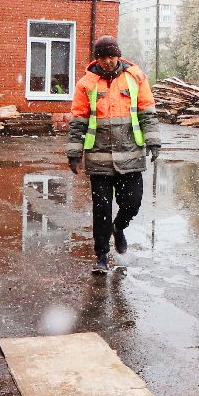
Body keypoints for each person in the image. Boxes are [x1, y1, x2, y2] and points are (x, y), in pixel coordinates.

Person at [67, 36, 159, 274]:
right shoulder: (86, 84)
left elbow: (147, 112)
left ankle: (118, 228)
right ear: (96, 58)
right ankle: (101, 256)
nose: (107, 61)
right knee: (101, 208)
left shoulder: (136, 77)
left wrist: (153, 141)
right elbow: (79, 121)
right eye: (102, 57)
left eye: (111, 56)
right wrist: (74, 152)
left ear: (118, 55)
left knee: (132, 203)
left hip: (130, 155)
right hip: (99, 157)